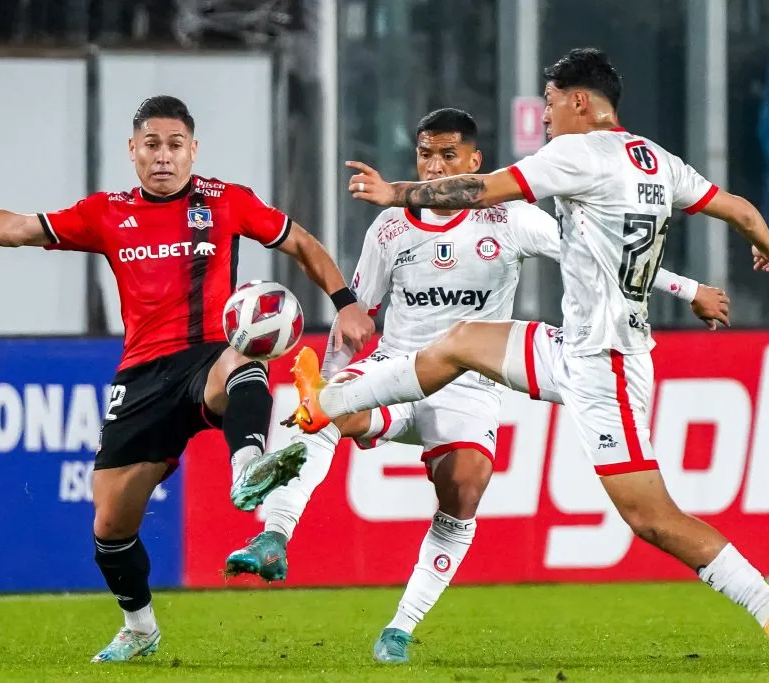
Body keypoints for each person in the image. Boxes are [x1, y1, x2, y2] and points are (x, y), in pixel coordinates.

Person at [289, 49, 769, 668]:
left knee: (651, 518)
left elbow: (479, 189)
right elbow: (739, 209)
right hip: (575, 345)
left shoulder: (579, 152)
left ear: (580, 102)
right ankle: (328, 401)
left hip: (607, 365)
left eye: (550, 102)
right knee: (460, 341)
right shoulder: (658, 160)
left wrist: (395, 193)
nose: (544, 117)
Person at [225, 108, 728, 663]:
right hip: (396, 370)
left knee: (464, 487)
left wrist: (691, 288)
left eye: (447, 156)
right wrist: (334, 370)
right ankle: (274, 536)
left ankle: (401, 627)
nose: (434, 167)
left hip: (467, 385)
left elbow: (605, 260)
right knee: (323, 411)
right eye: (425, 154)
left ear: (474, 162)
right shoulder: (389, 229)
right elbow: (355, 318)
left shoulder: (510, 218)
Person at [0, 95, 374, 663]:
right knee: (111, 523)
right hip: (142, 375)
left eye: (174, 145)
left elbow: (300, 242)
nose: (163, 157)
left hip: (207, 356)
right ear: (133, 151)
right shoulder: (105, 212)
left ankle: (248, 469)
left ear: (193, 149)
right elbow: (19, 228)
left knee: (244, 360)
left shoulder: (226, 201)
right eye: (152, 146)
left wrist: (344, 303)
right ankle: (139, 628)